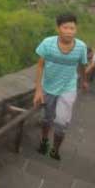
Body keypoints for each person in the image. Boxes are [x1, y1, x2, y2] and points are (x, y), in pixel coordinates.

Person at [33, 13, 89, 160]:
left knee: (61, 122)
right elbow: (40, 66)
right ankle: (44, 140)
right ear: (58, 28)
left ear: (76, 29)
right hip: (48, 86)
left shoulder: (81, 47)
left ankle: (55, 149)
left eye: (72, 28)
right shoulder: (47, 43)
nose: (69, 31)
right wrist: (38, 90)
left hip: (68, 88)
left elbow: (82, 66)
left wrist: (84, 80)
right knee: (47, 118)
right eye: (65, 28)